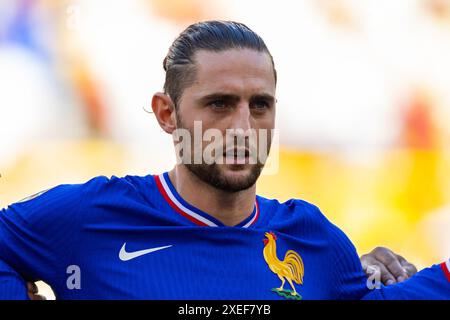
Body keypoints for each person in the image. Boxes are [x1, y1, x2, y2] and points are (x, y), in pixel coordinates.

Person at [0, 20, 448, 300]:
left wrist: (382, 275)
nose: (243, 128)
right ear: (167, 113)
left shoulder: (314, 239)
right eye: (219, 104)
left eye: (260, 105)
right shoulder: (89, 216)